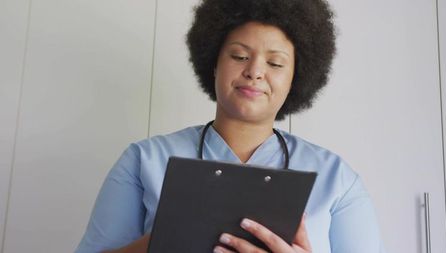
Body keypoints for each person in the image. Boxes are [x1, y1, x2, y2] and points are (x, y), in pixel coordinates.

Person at [76, 0, 385, 252]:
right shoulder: (144, 160)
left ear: (296, 79)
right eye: (239, 55)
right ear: (214, 62)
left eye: (275, 63)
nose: (254, 71)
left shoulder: (337, 180)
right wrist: (164, 241)